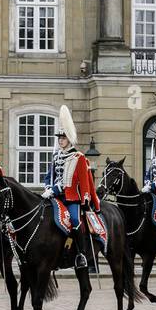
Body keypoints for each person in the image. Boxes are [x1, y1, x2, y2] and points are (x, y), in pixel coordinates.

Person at [42, 105, 100, 267]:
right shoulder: (56, 156)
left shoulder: (78, 157)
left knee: (74, 219)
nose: (60, 140)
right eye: (59, 138)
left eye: (63, 137)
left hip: (71, 198)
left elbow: (80, 180)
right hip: (55, 197)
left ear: (69, 139)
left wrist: (55, 189)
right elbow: (49, 176)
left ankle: (81, 253)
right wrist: (47, 187)